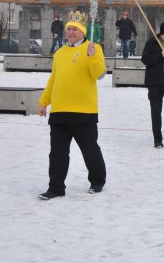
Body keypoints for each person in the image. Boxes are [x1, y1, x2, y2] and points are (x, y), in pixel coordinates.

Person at [37, 11, 107, 200]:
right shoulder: (59, 53)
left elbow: (98, 74)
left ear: (83, 31)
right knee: (57, 153)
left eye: (75, 29)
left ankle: (97, 180)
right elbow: (53, 79)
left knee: (90, 150)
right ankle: (56, 187)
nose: (71, 32)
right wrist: (44, 102)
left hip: (84, 110)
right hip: (60, 110)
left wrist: (92, 56)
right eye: (69, 29)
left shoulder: (94, 48)